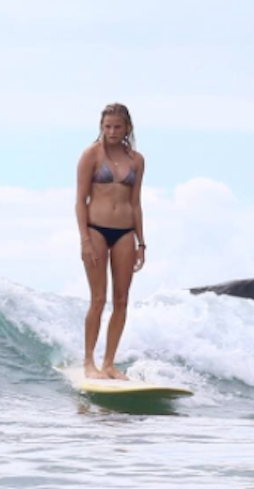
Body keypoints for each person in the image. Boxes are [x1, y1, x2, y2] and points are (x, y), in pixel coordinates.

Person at [75, 103, 145, 380]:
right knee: (98, 299)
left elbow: (136, 203)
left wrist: (142, 243)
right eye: (107, 126)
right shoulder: (91, 155)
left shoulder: (136, 160)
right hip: (96, 230)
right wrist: (84, 240)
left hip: (126, 232)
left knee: (121, 300)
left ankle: (109, 364)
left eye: (117, 126)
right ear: (101, 127)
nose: (112, 131)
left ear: (127, 127)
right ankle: (89, 362)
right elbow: (80, 201)